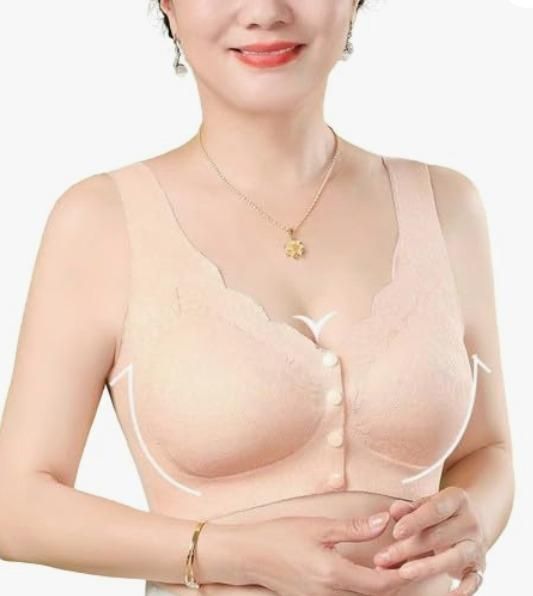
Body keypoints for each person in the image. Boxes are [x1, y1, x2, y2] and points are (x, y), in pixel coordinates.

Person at [0, 1, 514, 595]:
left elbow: (488, 449)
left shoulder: (447, 206)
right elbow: (16, 506)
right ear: (168, 4)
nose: (266, 11)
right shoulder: (101, 222)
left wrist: (476, 519)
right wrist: (229, 555)